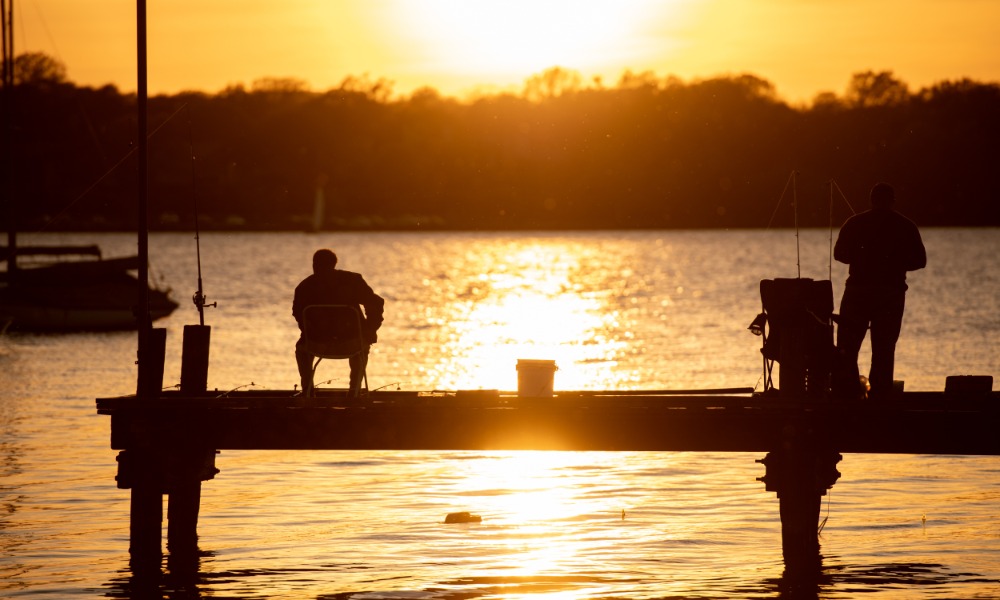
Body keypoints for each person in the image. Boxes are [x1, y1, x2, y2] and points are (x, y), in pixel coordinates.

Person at [833, 182, 926, 399]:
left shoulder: (854, 223)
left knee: (848, 347)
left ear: (871, 200)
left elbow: (839, 255)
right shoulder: (906, 225)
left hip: (858, 293)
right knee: (884, 350)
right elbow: (920, 261)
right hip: (890, 294)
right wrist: (895, 263)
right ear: (892, 201)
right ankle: (880, 398)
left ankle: (848, 396)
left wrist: (863, 257)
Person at [293, 249, 384, 396]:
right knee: (362, 346)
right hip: (352, 343)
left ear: (314, 265)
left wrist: (310, 332)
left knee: (301, 349)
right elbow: (376, 304)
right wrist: (369, 330)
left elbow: (298, 315)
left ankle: (308, 390)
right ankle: (354, 390)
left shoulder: (304, 286)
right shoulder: (353, 281)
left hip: (317, 344)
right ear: (334, 264)